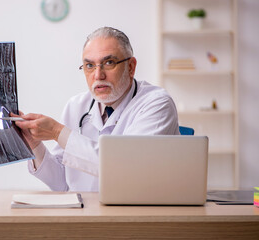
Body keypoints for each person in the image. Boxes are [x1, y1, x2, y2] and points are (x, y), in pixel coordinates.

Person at [12, 27, 179, 192]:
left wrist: (57, 132)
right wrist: (34, 145)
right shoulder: (76, 106)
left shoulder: (157, 104)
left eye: (108, 63)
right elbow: (62, 184)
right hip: (85, 213)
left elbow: (127, 168)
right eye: (90, 65)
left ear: (130, 67)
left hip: (136, 213)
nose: (98, 75)